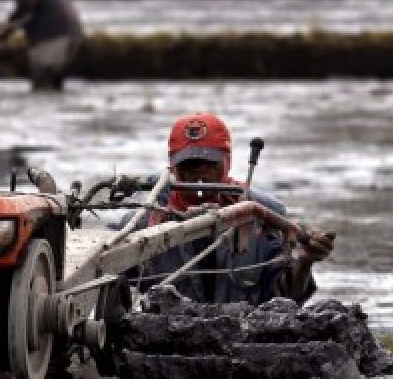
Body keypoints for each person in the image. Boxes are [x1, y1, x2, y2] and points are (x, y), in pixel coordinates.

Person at [135, 112, 335, 306]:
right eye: (190, 165)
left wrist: (306, 261)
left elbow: (287, 299)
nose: (200, 174)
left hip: (242, 333)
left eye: (210, 164)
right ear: (172, 167)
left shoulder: (261, 219)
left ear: (227, 162)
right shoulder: (144, 225)